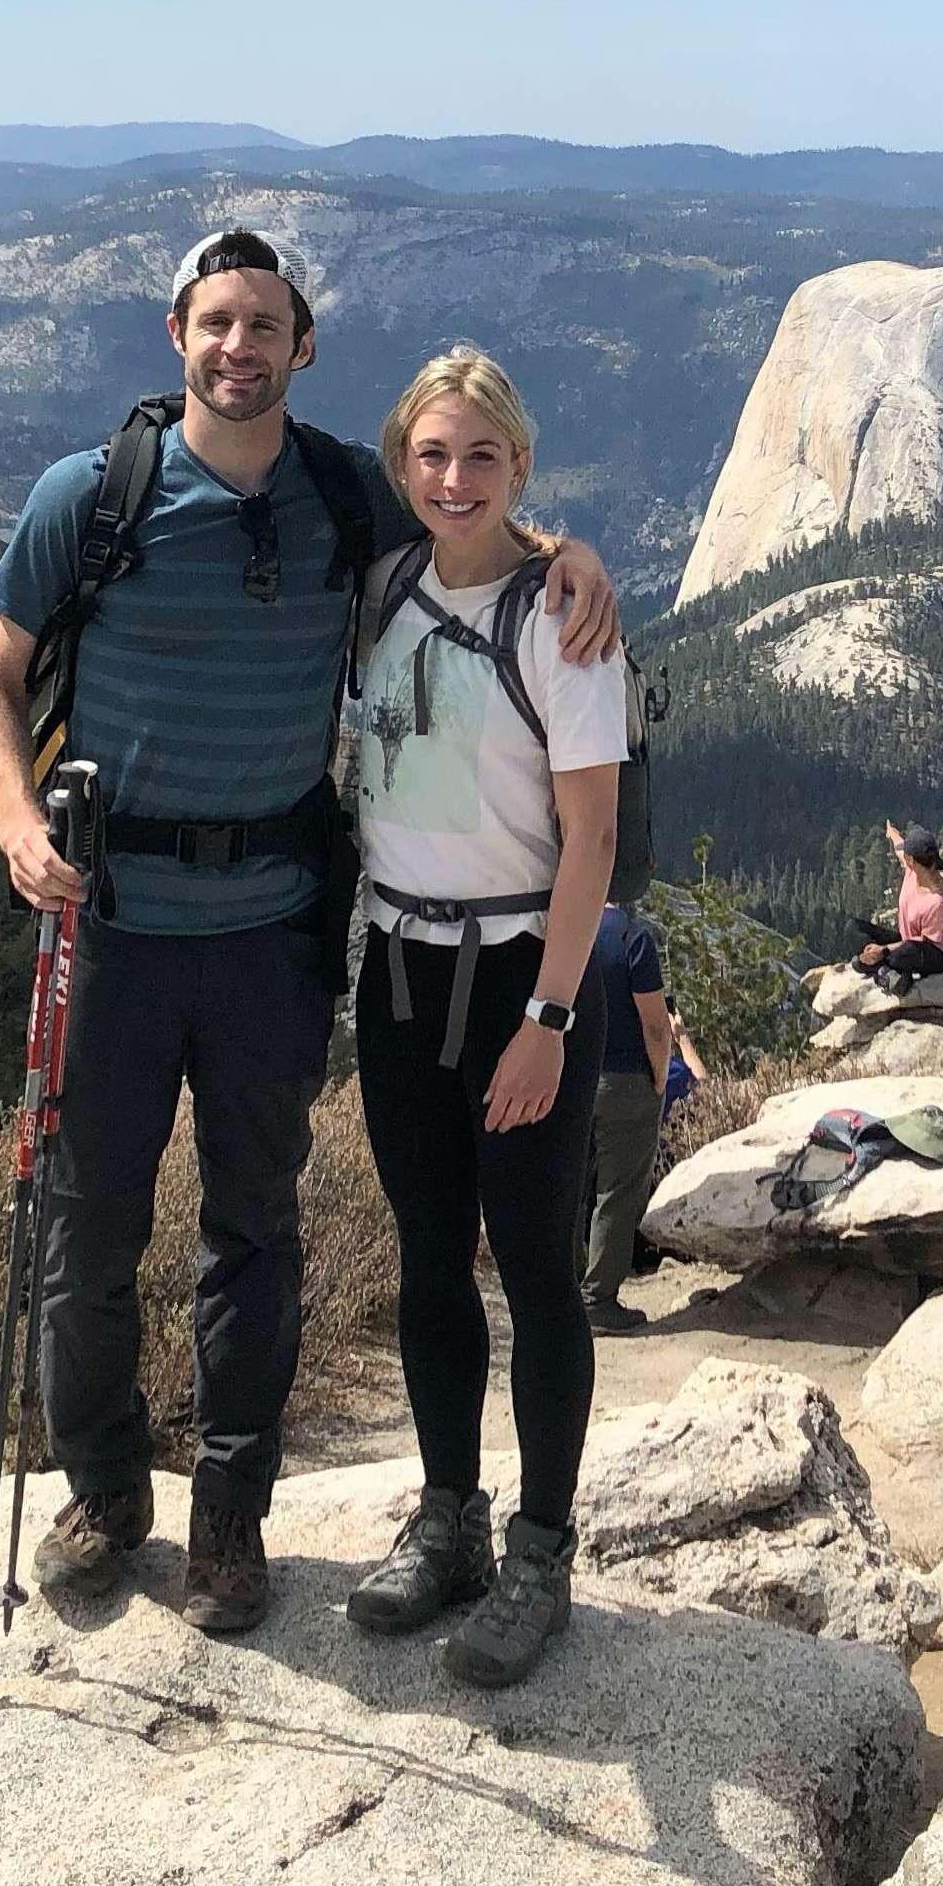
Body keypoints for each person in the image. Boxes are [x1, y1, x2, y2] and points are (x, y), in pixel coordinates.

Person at [0, 233, 619, 1638]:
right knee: (89, 1225)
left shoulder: (340, 493)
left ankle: (231, 1517)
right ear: (177, 333)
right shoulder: (92, 495)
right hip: (113, 922)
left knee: (254, 1229)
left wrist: (573, 555)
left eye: (264, 325)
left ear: (303, 345)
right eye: (217, 322)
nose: (238, 347)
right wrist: (15, 819)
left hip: (274, 931)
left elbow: (471, 523)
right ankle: (104, 1492)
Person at [341, 346, 627, 1689]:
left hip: (520, 977)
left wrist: (551, 1018)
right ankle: (448, 1516)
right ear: (402, 464)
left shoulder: (562, 622)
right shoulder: (385, 582)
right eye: (434, 456)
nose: (455, 480)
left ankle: (541, 1554)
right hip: (400, 973)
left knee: (534, 1267)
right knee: (427, 1257)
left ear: (521, 465)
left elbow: (593, 836)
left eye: (483, 458)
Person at [575, 901, 673, 1335]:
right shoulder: (632, 938)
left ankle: (564, 1290)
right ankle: (598, 1300)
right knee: (617, 1191)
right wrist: (659, 1076)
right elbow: (655, 1024)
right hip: (625, 1080)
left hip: (571, 1078)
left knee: (571, 1189)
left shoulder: (564, 924)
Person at [855, 820, 943, 997]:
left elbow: (923, 942)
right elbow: (899, 845)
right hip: (906, 941)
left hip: (936, 954)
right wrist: (892, 832)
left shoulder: (939, 901)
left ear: (910, 860)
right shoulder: (914, 869)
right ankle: (886, 972)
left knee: (901, 954)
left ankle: (879, 969)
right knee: (854, 928)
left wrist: (884, 950)